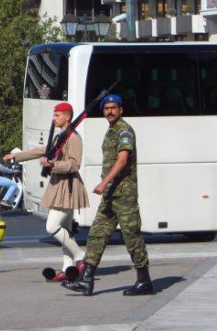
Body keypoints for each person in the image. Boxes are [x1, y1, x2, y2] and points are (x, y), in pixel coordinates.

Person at [63, 94, 153, 296]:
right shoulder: (111, 131)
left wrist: (104, 182)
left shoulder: (124, 131)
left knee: (132, 236)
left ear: (121, 110)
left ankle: (144, 281)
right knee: (97, 234)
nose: (110, 111)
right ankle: (86, 280)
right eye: (106, 108)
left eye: (113, 108)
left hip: (124, 195)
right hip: (110, 196)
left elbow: (122, 159)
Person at [4, 102, 89, 282]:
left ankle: (81, 256)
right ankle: (68, 269)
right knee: (65, 230)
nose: (54, 118)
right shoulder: (61, 136)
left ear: (67, 117)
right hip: (59, 185)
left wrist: (53, 165)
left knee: (52, 227)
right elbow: (41, 150)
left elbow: (74, 164)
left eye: (57, 115)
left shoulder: (73, 138)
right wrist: (17, 156)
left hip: (68, 187)